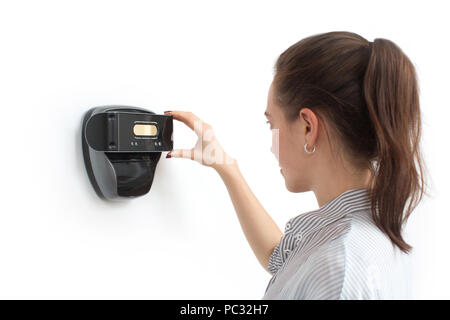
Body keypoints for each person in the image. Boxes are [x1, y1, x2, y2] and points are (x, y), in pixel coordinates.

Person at [163, 31, 427, 299]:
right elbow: (282, 260)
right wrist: (226, 166)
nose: (271, 144)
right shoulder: (374, 225)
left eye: (272, 124)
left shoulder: (339, 270)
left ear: (308, 127)